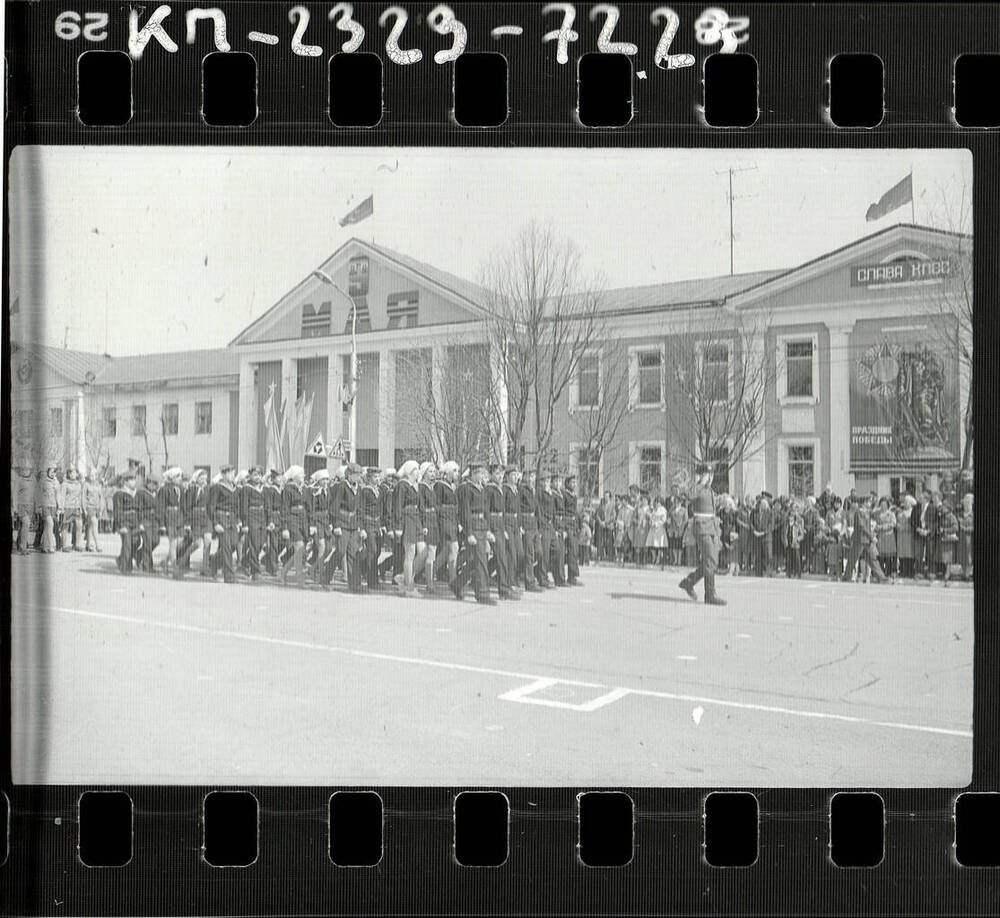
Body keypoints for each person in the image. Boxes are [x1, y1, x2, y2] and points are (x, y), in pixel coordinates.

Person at [678, 466, 726, 605]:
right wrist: (699, 482)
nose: (710, 477)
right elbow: (689, 495)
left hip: (711, 528)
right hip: (702, 527)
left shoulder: (709, 490)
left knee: (712, 562)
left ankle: (689, 582)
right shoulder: (698, 488)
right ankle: (710, 595)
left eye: (710, 474)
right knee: (710, 561)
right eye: (706, 474)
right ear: (700, 476)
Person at [451, 462, 494, 605]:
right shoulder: (467, 489)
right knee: (480, 561)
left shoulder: (481, 488)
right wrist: (469, 533)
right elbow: (465, 512)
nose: (482, 476)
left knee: (475, 560)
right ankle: (482, 594)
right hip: (473, 527)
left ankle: (457, 584)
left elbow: (486, 511)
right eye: (480, 473)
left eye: (483, 473)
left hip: (481, 526)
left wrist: (488, 529)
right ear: (473, 474)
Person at [331, 462, 365, 593]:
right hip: (342, 522)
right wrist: (336, 525)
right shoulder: (342, 486)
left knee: (353, 553)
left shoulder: (359, 488)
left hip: (353, 523)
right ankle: (325, 578)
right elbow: (335, 506)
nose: (358, 477)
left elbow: (360, 509)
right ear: (349, 474)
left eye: (359, 474)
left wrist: (361, 527)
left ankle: (354, 584)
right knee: (340, 551)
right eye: (355, 474)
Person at [207, 464, 240, 584]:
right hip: (221, 518)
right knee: (226, 547)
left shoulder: (235, 488)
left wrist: (238, 521)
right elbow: (211, 506)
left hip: (232, 520)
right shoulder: (217, 488)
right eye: (231, 473)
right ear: (224, 474)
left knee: (234, 545)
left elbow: (237, 506)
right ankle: (229, 576)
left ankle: (214, 562)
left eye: (233, 473)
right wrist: (215, 523)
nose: (233, 476)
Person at [394, 460, 422, 597]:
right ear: (410, 472)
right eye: (416, 470)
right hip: (407, 519)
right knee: (410, 553)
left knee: (423, 552)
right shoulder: (402, 485)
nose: (418, 472)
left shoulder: (414, 486)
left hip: (415, 519)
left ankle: (404, 577)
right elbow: (398, 506)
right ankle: (409, 586)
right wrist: (398, 526)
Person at [843, 498, 887, 583]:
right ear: (864, 503)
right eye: (869, 502)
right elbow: (861, 526)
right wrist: (871, 536)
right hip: (860, 539)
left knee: (873, 559)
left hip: (867, 540)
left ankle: (882, 577)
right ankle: (846, 577)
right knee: (853, 558)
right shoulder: (859, 512)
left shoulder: (867, 512)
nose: (870, 504)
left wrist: (871, 536)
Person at [279, 466, 310, 588]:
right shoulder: (288, 489)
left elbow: (308, 506)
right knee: (299, 547)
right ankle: (299, 579)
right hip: (292, 519)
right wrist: (285, 527)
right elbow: (284, 509)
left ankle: (283, 572)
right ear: (295, 476)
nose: (303, 476)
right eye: (301, 474)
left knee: (300, 550)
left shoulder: (304, 489)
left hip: (303, 520)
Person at [434, 460, 461, 587]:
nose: (457, 474)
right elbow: (437, 505)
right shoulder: (440, 485)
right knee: (453, 548)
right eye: (454, 471)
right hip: (444, 520)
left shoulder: (453, 486)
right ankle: (453, 579)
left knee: (446, 551)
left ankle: (429, 571)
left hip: (453, 520)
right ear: (448, 472)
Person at [518, 468, 543, 592]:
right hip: (526, 523)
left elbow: (538, 508)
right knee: (529, 554)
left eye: (533, 477)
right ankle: (530, 582)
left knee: (538, 551)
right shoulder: (521, 490)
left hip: (534, 524)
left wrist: (539, 526)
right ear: (524, 478)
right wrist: (520, 525)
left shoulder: (534, 491)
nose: (531, 479)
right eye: (529, 477)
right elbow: (518, 507)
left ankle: (525, 574)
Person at [157, 467, 185, 575]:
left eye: (180, 476)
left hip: (179, 516)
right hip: (169, 516)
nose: (180, 479)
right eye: (177, 476)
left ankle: (165, 562)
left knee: (180, 541)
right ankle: (174, 567)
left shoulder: (181, 489)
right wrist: (162, 523)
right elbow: (160, 507)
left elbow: (183, 505)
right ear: (171, 477)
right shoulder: (164, 489)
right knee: (173, 543)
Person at [112, 472, 141, 574]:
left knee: (136, 542)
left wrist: (140, 523)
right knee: (127, 544)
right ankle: (126, 568)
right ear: (125, 481)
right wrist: (121, 525)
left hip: (135, 521)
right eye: (131, 479)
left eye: (134, 479)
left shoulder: (135, 493)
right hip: (125, 521)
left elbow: (139, 509)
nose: (134, 481)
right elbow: (118, 511)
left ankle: (121, 559)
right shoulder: (119, 494)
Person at [503, 466, 525, 595]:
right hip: (508, 523)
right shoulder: (505, 490)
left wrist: (520, 525)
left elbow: (519, 509)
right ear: (507, 476)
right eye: (513, 475)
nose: (516, 477)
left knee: (520, 553)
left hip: (516, 524)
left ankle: (514, 580)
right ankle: (510, 583)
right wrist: (505, 528)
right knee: (511, 554)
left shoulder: (517, 490)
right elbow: (504, 509)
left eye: (517, 474)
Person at [535, 469, 556, 587]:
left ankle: (540, 572)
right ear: (541, 482)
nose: (547, 483)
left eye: (548, 480)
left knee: (556, 549)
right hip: (543, 524)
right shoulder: (539, 493)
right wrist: (541, 527)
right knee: (544, 553)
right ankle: (542, 578)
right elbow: (539, 510)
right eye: (544, 480)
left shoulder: (550, 492)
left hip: (550, 524)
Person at [935, 496, 960, 586]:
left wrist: (945, 530)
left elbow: (956, 527)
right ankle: (945, 572)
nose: (942, 509)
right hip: (943, 539)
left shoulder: (951, 516)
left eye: (944, 507)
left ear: (948, 507)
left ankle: (947, 573)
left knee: (948, 557)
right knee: (944, 557)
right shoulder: (942, 516)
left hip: (948, 539)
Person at [60, 467, 84, 551]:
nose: (73, 474)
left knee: (79, 525)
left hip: (76, 507)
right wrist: (61, 507)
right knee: (65, 526)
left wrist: (81, 506)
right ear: (68, 474)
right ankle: (64, 545)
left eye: (74, 473)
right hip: (67, 506)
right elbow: (62, 496)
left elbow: (80, 496)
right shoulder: (65, 483)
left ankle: (77, 544)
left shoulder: (79, 484)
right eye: (71, 473)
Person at [875, 497, 897, 580]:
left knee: (888, 556)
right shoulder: (878, 513)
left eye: (884, 504)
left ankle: (889, 572)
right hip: (881, 536)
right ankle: (881, 573)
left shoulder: (891, 514)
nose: (883, 506)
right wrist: (877, 527)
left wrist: (885, 527)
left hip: (888, 535)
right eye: (881, 504)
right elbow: (875, 523)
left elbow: (894, 523)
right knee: (880, 555)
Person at [14, 466, 35, 554]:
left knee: (24, 526)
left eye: (28, 469)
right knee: (26, 524)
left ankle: (19, 544)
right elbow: (15, 494)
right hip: (21, 505)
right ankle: (23, 548)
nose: (26, 471)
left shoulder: (32, 481)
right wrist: (14, 507)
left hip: (30, 506)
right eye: (24, 469)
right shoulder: (19, 481)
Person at [82, 470, 103, 552]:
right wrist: (84, 508)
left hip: (96, 507)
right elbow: (83, 497)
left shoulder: (98, 485)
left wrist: (101, 509)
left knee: (90, 526)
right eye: (91, 475)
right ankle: (98, 545)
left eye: (94, 475)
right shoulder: (86, 485)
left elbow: (101, 497)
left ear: (96, 476)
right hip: (89, 507)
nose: (92, 477)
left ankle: (88, 544)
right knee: (94, 523)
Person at [647, 496, 668, 568]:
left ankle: (658, 558)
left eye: (658, 502)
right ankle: (654, 557)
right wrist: (651, 522)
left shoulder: (663, 510)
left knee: (659, 544)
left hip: (659, 528)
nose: (656, 504)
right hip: (652, 528)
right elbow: (651, 517)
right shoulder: (653, 509)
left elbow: (664, 520)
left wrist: (657, 523)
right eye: (655, 502)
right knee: (652, 543)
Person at [957, 493, 973, 581]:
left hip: (969, 538)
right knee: (962, 556)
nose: (966, 505)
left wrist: (966, 528)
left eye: (968, 503)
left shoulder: (972, 515)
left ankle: (968, 574)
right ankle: (963, 573)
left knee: (969, 556)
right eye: (965, 503)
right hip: (961, 538)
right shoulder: (960, 514)